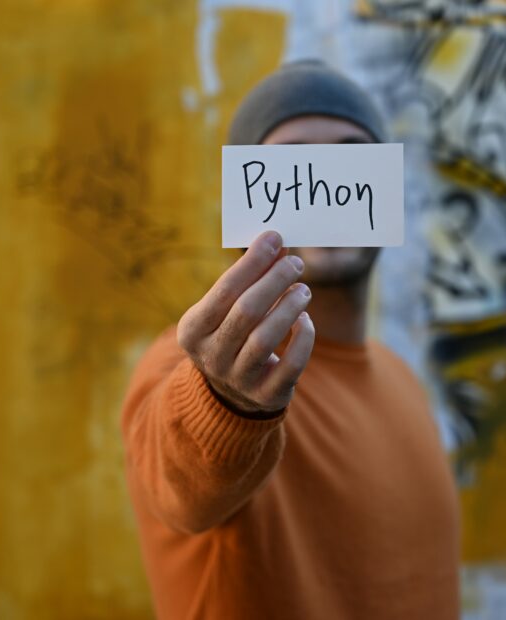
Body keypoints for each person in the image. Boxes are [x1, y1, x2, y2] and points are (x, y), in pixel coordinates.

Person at [120, 61, 460, 619]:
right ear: (245, 201)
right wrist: (227, 404)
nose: (323, 182)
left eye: (352, 158)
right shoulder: (201, 368)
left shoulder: (400, 378)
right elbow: (175, 475)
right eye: (291, 163)